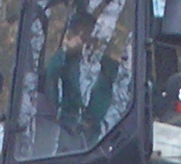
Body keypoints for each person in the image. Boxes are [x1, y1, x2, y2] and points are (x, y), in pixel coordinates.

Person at [41, 10, 123, 150]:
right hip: (66, 134)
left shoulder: (107, 63)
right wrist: (66, 51)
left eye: (87, 32)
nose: (83, 37)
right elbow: (50, 81)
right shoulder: (66, 63)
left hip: (98, 141)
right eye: (77, 32)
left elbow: (112, 96)